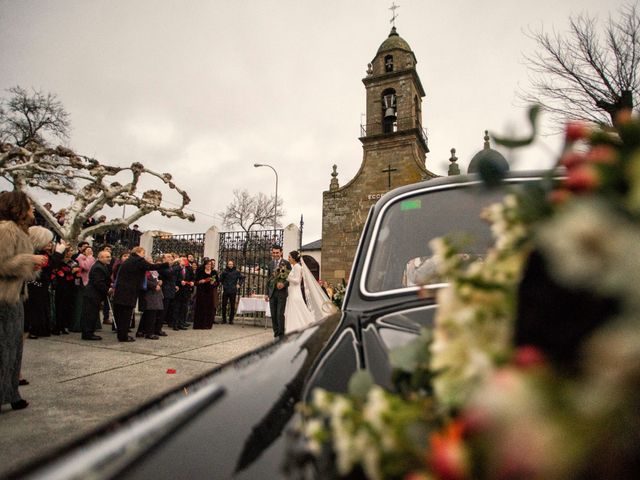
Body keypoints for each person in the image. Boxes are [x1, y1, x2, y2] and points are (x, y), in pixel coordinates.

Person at [0, 191, 47, 412]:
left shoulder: (18, 231)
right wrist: (30, 259)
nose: (33, 209)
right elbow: (2, 264)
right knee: (5, 348)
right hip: (4, 298)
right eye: (29, 205)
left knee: (14, 348)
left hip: (15, 296)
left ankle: (11, 392)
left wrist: (32, 266)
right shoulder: (6, 230)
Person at [112, 246, 168, 342]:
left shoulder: (129, 261)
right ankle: (123, 336)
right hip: (129, 292)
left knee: (121, 314)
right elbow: (151, 267)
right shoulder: (138, 260)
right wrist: (166, 264)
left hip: (121, 291)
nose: (144, 255)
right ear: (138, 252)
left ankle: (121, 334)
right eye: (143, 253)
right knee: (126, 315)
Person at [24, 226, 65, 338]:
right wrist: (58, 253)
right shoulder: (34, 253)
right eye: (47, 241)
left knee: (42, 306)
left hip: (42, 284)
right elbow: (49, 266)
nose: (50, 243)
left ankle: (41, 328)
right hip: (34, 284)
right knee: (35, 307)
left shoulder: (42, 252)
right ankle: (33, 329)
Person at [81, 250, 112, 341]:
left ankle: (90, 332)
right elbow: (99, 282)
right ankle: (88, 333)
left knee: (93, 314)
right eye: (107, 257)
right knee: (90, 314)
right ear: (100, 257)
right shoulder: (98, 267)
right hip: (92, 294)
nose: (109, 258)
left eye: (109, 256)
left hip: (95, 295)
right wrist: (107, 290)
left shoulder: (102, 266)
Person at [283, 251, 315, 333]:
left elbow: (297, 281)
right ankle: (294, 328)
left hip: (295, 292)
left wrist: (287, 277)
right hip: (292, 291)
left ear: (293, 258)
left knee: (296, 310)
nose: (288, 258)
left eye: (289, 257)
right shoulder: (294, 267)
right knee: (294, 311)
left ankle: (295, 329)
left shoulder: (297, 267)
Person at [51, 246, 79, 334]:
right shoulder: (60, 262)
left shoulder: (74, 262)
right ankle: (58, 326)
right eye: (68, 251)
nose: (70, 253)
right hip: (61, 287)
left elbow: (77, 273)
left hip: (71, 287)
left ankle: (64, 326)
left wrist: (75, 272)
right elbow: (60, 274)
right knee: (60, 306)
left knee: (67, 307)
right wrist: (71, 272)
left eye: (71, 251)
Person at [267, 245, 290, 338]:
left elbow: (290, 278)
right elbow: (268, 279)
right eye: (274, 253)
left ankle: (281, 333)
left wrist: (283, 284)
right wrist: (266, 293)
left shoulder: (286, 263)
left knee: (280, 314)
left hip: (282, 292)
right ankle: (276, 332)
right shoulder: (270, 264)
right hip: (272, 293)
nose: (275, 254)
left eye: (277, 252)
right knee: (273, 314)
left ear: (281, 252)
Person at [140, 262, 164, 340]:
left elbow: (156, 279)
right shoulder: (145, 271)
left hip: (155, 294)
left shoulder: (154, 271)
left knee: (150, 313)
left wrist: (159, 282)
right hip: (149, 293)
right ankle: (149, 333)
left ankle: (142, 331)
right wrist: (154, 285)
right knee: (150, 314)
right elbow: (144, 280)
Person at [193, 259, 219, 329]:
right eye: (207, 264)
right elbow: (195, 282)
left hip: (210, 292)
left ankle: (207, 324)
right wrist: (200, 282)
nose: (208, 266)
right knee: (201, 308)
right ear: (205, 265)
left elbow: (217, 283)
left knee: (209, 308)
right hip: (201, 292)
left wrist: (213, 283)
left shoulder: (214, 273)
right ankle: (200, 325)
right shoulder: (200, 272)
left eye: (210, 265)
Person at [172, 256, 195, 330]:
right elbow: (173, 278)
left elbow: (192, 278)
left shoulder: (188, 269)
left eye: (185, 260)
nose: (185, 261)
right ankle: (175, 324)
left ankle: (181, 323)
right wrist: (179, 282)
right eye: (183, 260)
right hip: (178, 291)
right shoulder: (176, 268)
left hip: (186, 291)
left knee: (183, 308)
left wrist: (192, 282)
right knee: (177, 308)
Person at [220, 259, 244, 325]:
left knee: (232, 306)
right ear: (227, 265)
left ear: (233, 265)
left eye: (231, 264)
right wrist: (224, 285)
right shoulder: (224, 272)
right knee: (224, 305)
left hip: (233, 290)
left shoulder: (236, 272)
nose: (230, 265)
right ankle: (224, 319)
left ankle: (231, 320)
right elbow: (220, 279)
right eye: (229, 264)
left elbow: (242, 278)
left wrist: (239, 284)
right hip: (225, 290)